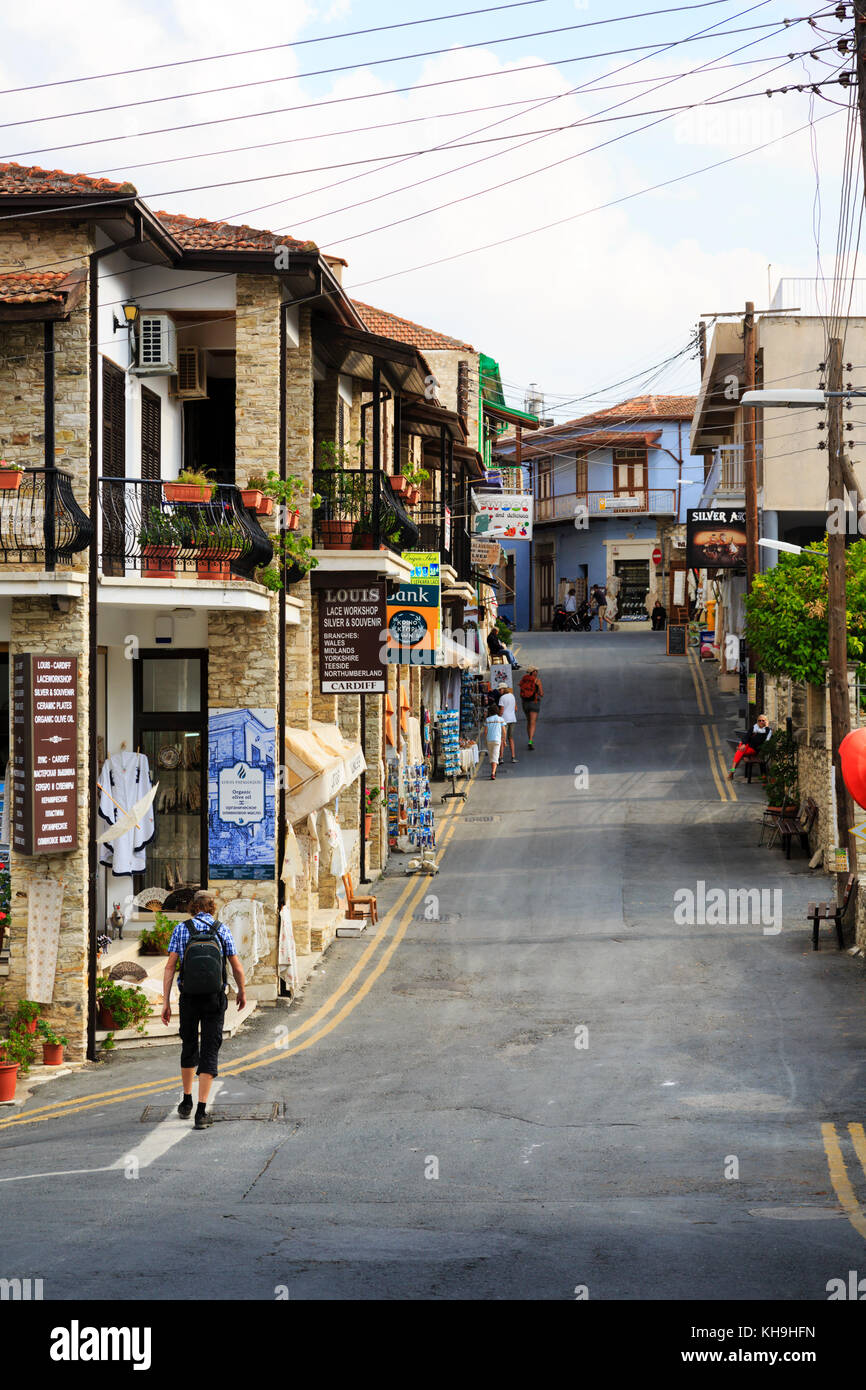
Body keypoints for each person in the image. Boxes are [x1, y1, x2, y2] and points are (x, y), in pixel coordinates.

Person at [161, 890, 246, 1129]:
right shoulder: (222, 929)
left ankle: (186, 1101)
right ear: (211, 907)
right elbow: (236, 966)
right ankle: (201, 1111)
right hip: (214, 998)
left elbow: (169, 967)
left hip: (188, 998)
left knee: (189, 1045)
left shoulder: (181, 929)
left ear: (192, 907)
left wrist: (166, 1001)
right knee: (210, 1048)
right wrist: (241, 991)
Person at [728, 714, 772, 779]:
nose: (761, 722)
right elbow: (747, 736)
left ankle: (732, 771)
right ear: (757, 721)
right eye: (759, 720)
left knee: (740, 751)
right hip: (747, 746)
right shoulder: (754, 728)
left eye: (763, 720)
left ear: (766, 721)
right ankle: (733, 770)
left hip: (754, 749)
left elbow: (766, 742)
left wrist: (766, 727)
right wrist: (744, 744)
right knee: (741, 749)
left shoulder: (768, 731)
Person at [519, 667, 544, 749]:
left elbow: (521, 693)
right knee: (533, 722)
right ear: (534, 672)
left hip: (525, 703)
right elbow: (541, 693)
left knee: (528, 721)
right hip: (534, 702)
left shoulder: (524, 680)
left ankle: (529, 739)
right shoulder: (537, 681)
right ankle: (530, 740)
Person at [498, 685, 518, 763]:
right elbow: (516, 709)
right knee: (511, 738)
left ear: (503, 689)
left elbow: (502, 710)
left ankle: (501, 758)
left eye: (500, 690)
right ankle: (513, 757)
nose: (499, 691)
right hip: (512, 719)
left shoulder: (502, 698)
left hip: (504, 720)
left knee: (502, 739)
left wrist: (498, 716)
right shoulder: (512, 696)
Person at [485, 707, 505, 779]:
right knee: (495, 756)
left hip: (489, 740)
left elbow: (485, 731)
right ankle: (493, 773)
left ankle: (493, 770)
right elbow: (504, 731)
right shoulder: (500, 719)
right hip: (497, 740)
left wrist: (485, 739)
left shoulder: (487, 720)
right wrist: (504, 740)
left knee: (491, 756)